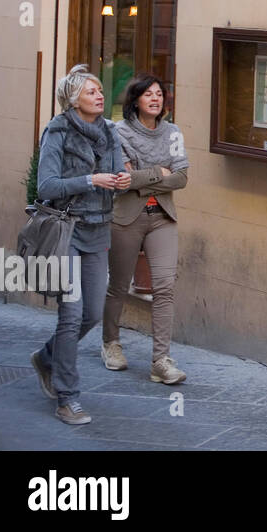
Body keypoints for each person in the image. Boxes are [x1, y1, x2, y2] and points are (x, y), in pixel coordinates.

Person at [30, 64, 130, 425]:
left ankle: (47, 357)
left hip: (99, 229)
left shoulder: (109, 130)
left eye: (101, 90)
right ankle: (67, 397)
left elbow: (120, 174)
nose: (100, 95)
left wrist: (122, 180)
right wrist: (90, 179)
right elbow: (47, 186)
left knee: (91, 313)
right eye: (91, 92)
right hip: (68, 231)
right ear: (73, 100)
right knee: (71, 316)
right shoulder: (57, 131)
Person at [102, 75, 189, 385]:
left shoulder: (173, 132)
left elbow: (181, 178)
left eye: (160, 94)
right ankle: (110, 342)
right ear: (135, 100)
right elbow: (122, 179)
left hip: (162, 217)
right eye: (149, 94)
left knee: (164, 287)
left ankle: (161, 361)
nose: (156, 99)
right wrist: (157, 173)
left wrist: (140, 177)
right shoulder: (118, 132)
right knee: (120, 285)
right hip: (126, 219)